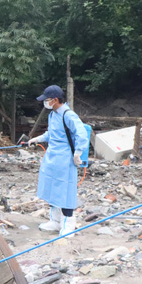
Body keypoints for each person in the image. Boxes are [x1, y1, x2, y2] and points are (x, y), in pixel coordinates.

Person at [27, 85, 89, 236]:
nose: (45, 103)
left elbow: (81, 134)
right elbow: (51, 134)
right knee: (51, 188)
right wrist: (37, 139)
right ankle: (55, 220)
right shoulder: (53, 115)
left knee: (65, 190)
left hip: (65, 158)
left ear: (55, 100)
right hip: (52, 157)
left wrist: (78, 153)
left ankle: (68, 224)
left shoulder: (68, 115)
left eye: (47, 100)